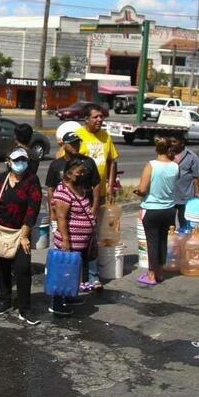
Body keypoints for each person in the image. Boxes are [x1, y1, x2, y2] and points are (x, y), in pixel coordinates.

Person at [0, 147, 42, 325]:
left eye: (23, 160)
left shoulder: (32, 180)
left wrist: (24, 235)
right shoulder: (1, 179)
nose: (20, 163)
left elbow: (33, 210)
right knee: (2, 266)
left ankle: (25, 308)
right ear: (9, 161)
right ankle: (5, 301)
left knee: (22, 268)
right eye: (16, 160)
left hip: (20, 232)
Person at [75, 104, 119, 291]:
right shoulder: (78, 135)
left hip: (99, 194)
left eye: (101, 117)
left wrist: (110, 185)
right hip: (80, 195)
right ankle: (78, 274)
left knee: (95, 235)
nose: (100, 120)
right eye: (95, 117)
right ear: (86, 119)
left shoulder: (106, 137)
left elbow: (112, 161)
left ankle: (93, 276)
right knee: (79, 235)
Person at [50, 157, 96, 317]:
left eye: (83, 172)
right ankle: (57, 305)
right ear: (68, 173)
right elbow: (61, 217)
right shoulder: (63, 191)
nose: (82, 174)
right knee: (62, 272)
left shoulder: (80, 187)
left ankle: (69, 297)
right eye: (79, 172)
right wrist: (66, 240)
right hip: (69, 241)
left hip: (80, 242)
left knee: (72, 271)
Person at [135, 136, 179, 286]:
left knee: (152, 242)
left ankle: (151, 274)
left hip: (152, 209)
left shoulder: (151, 165)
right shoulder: (175, 166)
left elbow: (142, 189)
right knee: (162, 241)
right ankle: (160, 272)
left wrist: (137, 191)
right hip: (169, 209)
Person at [168, 132, 199, 227]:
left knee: (185, 225)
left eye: (174, 141)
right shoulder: (167, 155)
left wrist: (197, 193)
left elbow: (196, 177)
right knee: (170, 227)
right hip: (170, 197)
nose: (171, 143)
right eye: (171, 141)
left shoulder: (192, 157)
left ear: (182, 143)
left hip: (185, 197)